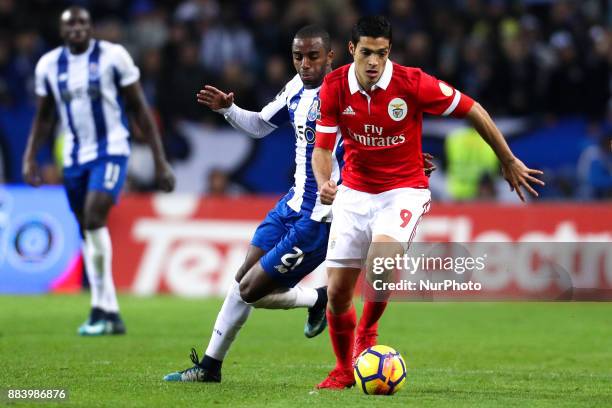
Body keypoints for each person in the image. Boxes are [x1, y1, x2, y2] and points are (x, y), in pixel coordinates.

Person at [163, 25, 435, 383]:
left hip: (321, 217)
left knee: (251, 291)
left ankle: (317, 300)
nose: (304, 64)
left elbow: (380, 132)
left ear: (331, 56)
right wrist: (229, 110)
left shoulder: (345, 91)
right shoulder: (295, 87)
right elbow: (261, 124)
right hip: (291, 202)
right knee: (243, 280)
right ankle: (210, 366)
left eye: (312, 57)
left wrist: (406, 158)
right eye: (298, 57)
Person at [312, 16, 545, 389]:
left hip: (403, 190)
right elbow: (322, 148)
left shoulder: (412, 83)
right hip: (353, 192)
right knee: (338, 292)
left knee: (380, 265)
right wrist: (325, 183)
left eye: (383, 53)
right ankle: (342, 369)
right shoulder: (335, 85)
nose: (375, 62)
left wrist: (507, 159)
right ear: (353, 50)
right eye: (367, 53)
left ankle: (367, 334)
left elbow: (472, 109)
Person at [22, 6, 175, 336]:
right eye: (70, 24)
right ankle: (110, 311)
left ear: (90, 28)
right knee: (87, 229)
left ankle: (99, 306)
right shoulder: (49, 65)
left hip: (112, 151)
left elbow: (139, 109)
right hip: (74, 157)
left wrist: (160, 161)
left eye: (82, 22)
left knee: (94, 218)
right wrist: (30, 156)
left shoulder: (113, 57)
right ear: (62, 31)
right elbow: (44, 117)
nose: (77, 28)